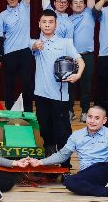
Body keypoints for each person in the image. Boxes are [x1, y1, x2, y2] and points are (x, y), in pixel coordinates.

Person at [26, 106, 108, 201]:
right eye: (90, 117)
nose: (92, 121)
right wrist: (40, 162)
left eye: (97, 118)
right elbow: (62, 155)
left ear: (104, 120)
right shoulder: (76, 135)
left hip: (106, 168)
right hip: (88, 173)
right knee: (69, 181)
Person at [30, 9, 84, 161]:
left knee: (62, 132)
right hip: (40, 95)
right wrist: (35, 46)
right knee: (44, 128)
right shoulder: (35, 43)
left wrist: (78, 74)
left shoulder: (65, 43)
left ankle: (65, 164)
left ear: (56, 24)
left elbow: (80, 60)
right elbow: (32, 47)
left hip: (60, 97)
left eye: (50, 22)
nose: (47, 25)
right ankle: (49, 157)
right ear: (39, 24)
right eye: (44, 22)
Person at [0, 0, 33, 111]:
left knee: (27, 83)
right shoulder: (2, 15)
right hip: (9, 53)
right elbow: (1, 36)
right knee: (9, 84)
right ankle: (9, 110)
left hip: (25, 51)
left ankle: (28, 111)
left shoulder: (25, 7)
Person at [69, 0, 97, 122]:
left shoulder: (89, 13)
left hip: (87, 55)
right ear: (70, 5)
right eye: (75, 2)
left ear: (85, 5)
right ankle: (70, 111)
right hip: (72, 56)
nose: (78, 4)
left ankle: (85, 112)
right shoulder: (68, 20)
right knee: (70, 85)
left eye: (81, 2)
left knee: (86, 86)